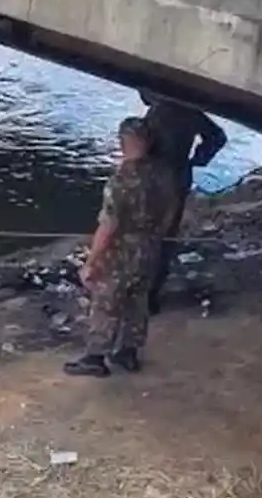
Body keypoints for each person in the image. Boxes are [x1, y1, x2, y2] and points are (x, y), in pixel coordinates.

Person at [64, 117, 178, 378]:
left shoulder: (121, 180)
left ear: (125, 142)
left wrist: (91, 262)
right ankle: (127, 353)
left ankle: (95, 357)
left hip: (120, 250)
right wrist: (155, 235)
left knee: (107, 302)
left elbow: (109, 225)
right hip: (149, 247)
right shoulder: (164, 174)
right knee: (137, 300)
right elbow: (171, 210)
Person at [140, 90, 227, 315]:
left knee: (144, 233)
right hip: (178, 177)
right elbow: (217, 137)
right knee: (165, 237)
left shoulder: (157, 113)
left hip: (154, 179)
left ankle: (141, 292)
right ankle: (151, 295)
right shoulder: (191, 111)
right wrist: (198, 159)